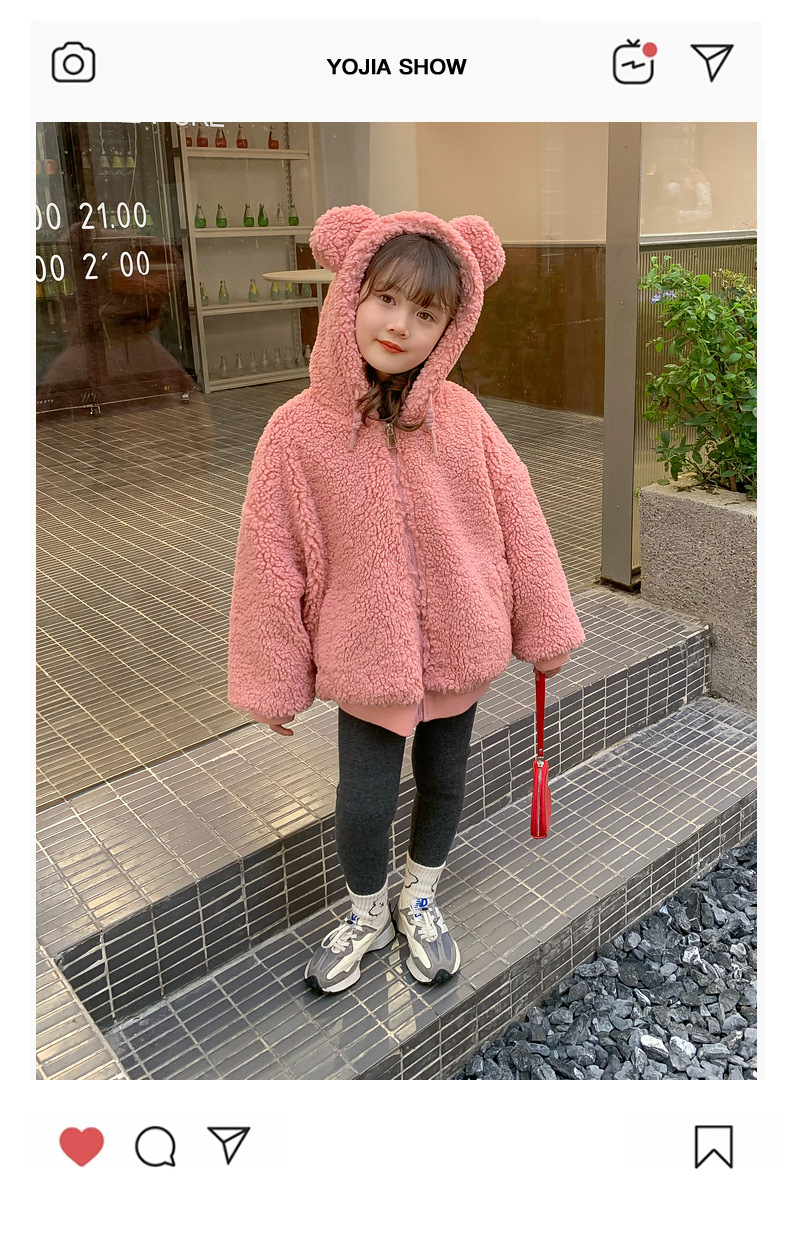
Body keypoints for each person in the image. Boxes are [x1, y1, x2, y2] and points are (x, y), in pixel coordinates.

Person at [227, 205, 586, 995]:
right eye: (385, 299)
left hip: (462, 644)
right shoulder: (295, 432)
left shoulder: (464, 418)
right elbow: (269, 559)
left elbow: (519, 517)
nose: (399, 325)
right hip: (366, 660)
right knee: (362, 803)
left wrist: (545, 625)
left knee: (446, 783)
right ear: (348, 294)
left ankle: (418, 896)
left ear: (451, 329)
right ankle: (366, 911)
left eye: (426, 313)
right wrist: (272, 679)